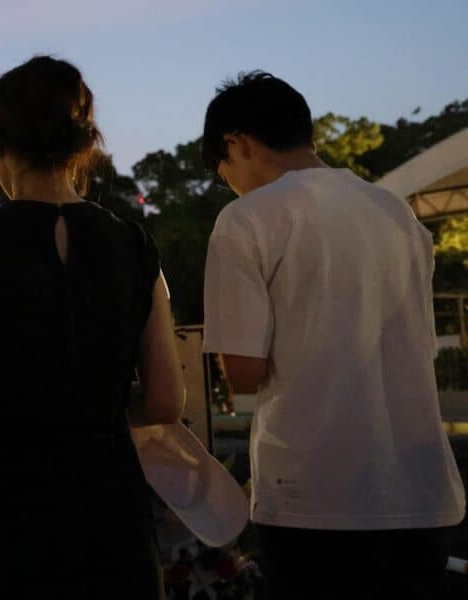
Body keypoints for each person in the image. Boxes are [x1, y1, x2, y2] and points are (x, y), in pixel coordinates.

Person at [0, 56, 185, 599]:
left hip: (12, 515)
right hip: (113, 518)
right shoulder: (134, 247)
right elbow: (166, 400)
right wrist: (91, 405)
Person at [201, 71, 465, 599]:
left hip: (317, 499)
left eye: (223, 170)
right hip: (424, 491)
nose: (230, 183)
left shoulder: (246, 219)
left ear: (237, 142)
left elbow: (245, 371)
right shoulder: (399, 216)